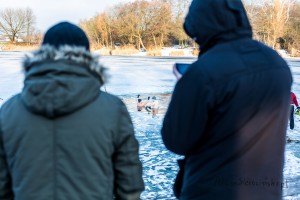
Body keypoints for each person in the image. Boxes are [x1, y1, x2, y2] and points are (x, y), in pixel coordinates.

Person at [161, 0, 292, 199]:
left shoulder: (202, 73)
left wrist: (186, 91)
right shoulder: (276, 63)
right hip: (267, 191)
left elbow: (176, 140)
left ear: (200, 25)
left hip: (212, 192)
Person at [0, 22, 144, 200]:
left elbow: (2, 185)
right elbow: (129, 184)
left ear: (43, 54)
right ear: (87, 55)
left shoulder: (8, 111)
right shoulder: (113, 109)